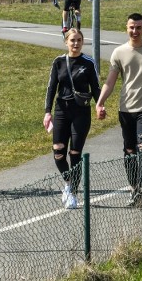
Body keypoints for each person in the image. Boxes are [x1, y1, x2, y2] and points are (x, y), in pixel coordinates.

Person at [95, 13, 142, 208]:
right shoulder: (118, 53)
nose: (135, 31)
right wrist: (100, 102)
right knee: (129, 151)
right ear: (126, 28)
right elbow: (110, 82)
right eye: (131, 27)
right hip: (126, 109)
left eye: (138, 27)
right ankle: (133, 189)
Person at [43, 29, 101, 209]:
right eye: (72, 40)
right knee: (58, 151)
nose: (76, 43)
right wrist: (47, 112)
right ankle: (68, 182)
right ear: (66, 42)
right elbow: (51, 88)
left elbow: (96, 88)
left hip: (81, 112)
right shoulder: (59, 62)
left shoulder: (88, 63)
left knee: (75, 153)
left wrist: (100, 105)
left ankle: (73, 194)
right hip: (61, 111)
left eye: (79, 40)